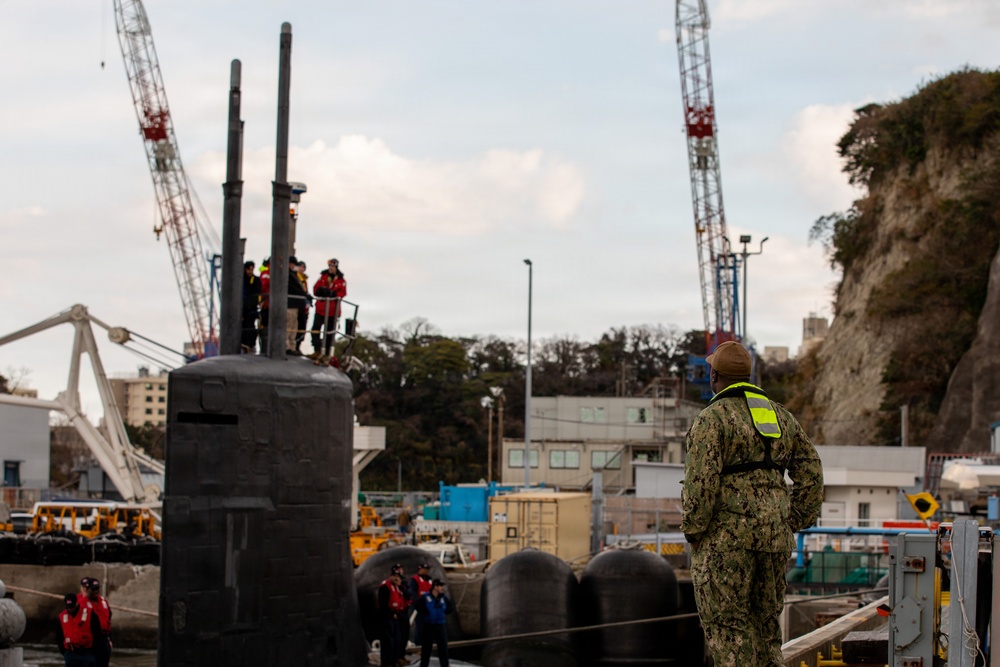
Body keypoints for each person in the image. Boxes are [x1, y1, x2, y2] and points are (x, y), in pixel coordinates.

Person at [681, 341, 824, 667]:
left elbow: (699, 486)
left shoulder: (711, 420)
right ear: (748, 375)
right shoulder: (780, 416)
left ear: (713, 376)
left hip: (725, 543)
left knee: (730, 632)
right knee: (765, 630)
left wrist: (695, 532)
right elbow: (812, 473)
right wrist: (791, 519)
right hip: (774, 539)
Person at [309, 258, 347, 363]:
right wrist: (321, 291)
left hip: (332, 311)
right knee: (315, 329)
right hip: (321, 309)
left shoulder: (341, 281)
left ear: (336, 267)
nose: (330, 268)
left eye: (332, 266)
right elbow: (315, 289)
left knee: (329, 332)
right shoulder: (322, 278)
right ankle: (317, 349)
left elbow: (342, 293)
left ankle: (326, 354)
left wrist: (333, 294)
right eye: (329, 266)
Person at [415, 579, 452, 667]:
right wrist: (425, 613)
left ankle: (444, 665)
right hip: (429, 625)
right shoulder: (425, 597)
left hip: (440, 625)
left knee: (443, 648)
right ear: (435, 587)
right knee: (426, 648)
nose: (442, 588)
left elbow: (450, 608)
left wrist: (443, 612)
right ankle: (424, 665)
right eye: (440, 586)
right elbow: (417, 606)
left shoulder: (443, 598)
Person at [377, 565, 408, 667]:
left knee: (396, 641)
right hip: (387, 619)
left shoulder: (396, 587)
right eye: (394, 575)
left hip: (395, 618)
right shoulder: (385, 587)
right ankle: (387, 663)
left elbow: (405, 598)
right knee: (388, 643)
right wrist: (392, 614)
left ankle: (394, 661)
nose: (396, 578)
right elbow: (383, 605)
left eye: (398, 576)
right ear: (390, 576)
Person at [58, 593, 99, 667]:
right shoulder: (62, 616)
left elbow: (98, 633)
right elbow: (59, 635)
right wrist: (64, 652)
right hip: (70, 653)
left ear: (77, 602)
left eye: (72, 606)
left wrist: (94, 651)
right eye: (68, 607)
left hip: (87, 653)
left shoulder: (89, 613)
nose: (70, 609)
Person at [78, 577, 112, 667]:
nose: (96, 591)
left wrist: (109, 638)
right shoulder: (81, 603)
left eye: (97, 589)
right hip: (91, 641)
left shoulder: (103, 601)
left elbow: (109, 618)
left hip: (104, 640)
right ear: (87, 589)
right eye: (93, 589)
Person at [285, 255, 310, 355]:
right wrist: (304, 295)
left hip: (296, 305)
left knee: (294, 327)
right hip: (290, 304)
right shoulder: (287, 275)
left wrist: (306, 296)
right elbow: (294, 289)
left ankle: (292, 346)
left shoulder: (293, 275)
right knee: (289, 326)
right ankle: (286, 347)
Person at [408, 562, 433, 645]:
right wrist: (418, 604)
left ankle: (426, 643)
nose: (425, 571)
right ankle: (418, 644)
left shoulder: (429, 580)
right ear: (419, 570)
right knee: (419, 626)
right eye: (424, 569)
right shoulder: (414, 580)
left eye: (426, 569)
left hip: (428, 607)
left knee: (428, 626)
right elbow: (413, 594)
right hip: (418, 607)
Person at [241, 261, 262, 353]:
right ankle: (243, 344)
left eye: (251, 269)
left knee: (251, 326)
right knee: (243, 325)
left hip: (252, 307)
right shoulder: (241, 280)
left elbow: (258, 292)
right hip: (243, 308)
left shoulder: (256, 280)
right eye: (248, 269)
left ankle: (250, 344)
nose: (250, 271)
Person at [294, 260, 311, 354]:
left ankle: (298, 345)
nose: (302, 269)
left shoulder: (304, 279)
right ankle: (294, 345)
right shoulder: (296, 277)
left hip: (304, 306)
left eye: (303, 267)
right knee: (296, 325)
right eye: (300, 266)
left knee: (302, 326)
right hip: (298, 305)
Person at [258, 258, 271, 350]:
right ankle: (264, 348)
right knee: (265, 326)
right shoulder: (266, 273)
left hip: (272, 305)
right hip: (267, 305)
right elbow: (264, 287)